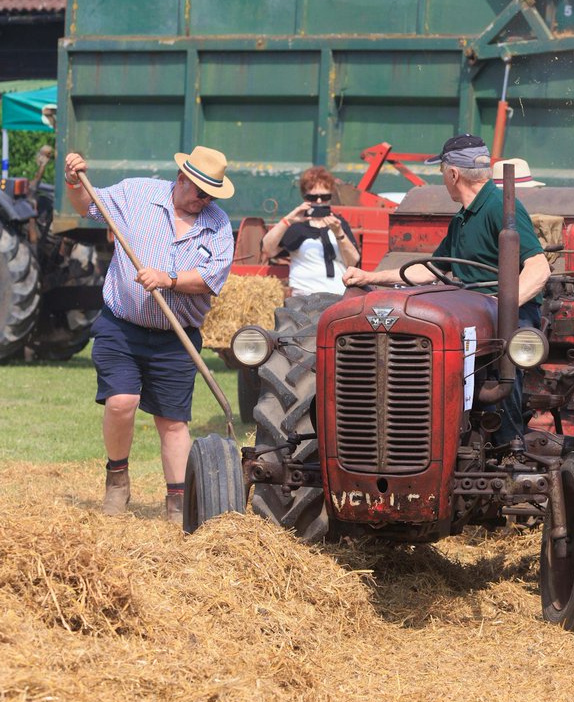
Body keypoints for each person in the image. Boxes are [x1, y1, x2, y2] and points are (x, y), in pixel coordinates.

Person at [63, 146, 235, 521]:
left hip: (177, 336)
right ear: (182, 179)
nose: (203, 201)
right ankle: (117, 481)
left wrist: (168, 279)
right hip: (121, 326)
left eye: (211, 195)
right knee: (121, 401)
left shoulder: (218, 224)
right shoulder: (135, 194)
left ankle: (177, 504)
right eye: (199, 192)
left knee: (172, 422)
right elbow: (86, 206)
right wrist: (74, 181)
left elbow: (211, 278)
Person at [342, 136, 551, 445]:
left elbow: (539, 268)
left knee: (507, 353)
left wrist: (501, 305)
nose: (442, 178)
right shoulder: (462, 218)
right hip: (468, 313)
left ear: (453, 174)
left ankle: (509, 447)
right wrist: (370, 276)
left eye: (442, 171)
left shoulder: (499, 206)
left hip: (508, 312)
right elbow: (432, 268)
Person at [260, 166, 360, 296]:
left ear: (331, 197)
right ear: (304, 198)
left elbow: (353, 262)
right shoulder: (297, 227)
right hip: (305, 297)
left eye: (324, 197)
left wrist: (339, 233)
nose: (319, 201)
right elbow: (268, 249)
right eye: (313, 198)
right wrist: (287, 220)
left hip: (338, 295)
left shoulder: (339, 223)